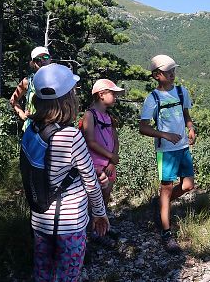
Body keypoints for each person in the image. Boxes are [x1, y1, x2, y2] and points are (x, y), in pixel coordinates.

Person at [22, 64, 109, 281]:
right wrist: (99, 212)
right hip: (69, 224)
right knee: (67, 276)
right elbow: (90, 181)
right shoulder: (70, 136)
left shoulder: (30, 130)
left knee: (43, 273)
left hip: (40, 219)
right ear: (66, 99)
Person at [139, 54, 196, 253]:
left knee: (188, 186)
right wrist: (164, 134)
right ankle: (166, 232)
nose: (172, 74)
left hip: (182, 148)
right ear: (156, 75)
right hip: (166, 150)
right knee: (167, 187)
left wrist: (190, 129)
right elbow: (143, 128)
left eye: (173, 70)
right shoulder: (152, 99)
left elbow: (186, 115)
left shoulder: (182, 92)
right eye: (167, 72)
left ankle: (160, 204)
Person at [81, 79, 124, 245]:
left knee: (105, 197)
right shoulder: (89, 115)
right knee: (92, 199)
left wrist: (112, 160)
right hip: (95, 165)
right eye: (112, 93)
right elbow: (90, 141)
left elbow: (116, 140)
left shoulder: (108, 117)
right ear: (101, 95)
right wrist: (111, 157)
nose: (115, 97)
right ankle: (88, 234)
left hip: (108, 165)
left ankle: (101, 230)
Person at [9, 46, 52, 131]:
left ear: (50, 59)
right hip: (32, 128)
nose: (42, 61)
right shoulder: (27, 82)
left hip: (52, 126)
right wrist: (21, 113)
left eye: (45, 57)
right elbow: (13, 100)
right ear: (33, 63)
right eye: (38, 59)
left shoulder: (57, 80)